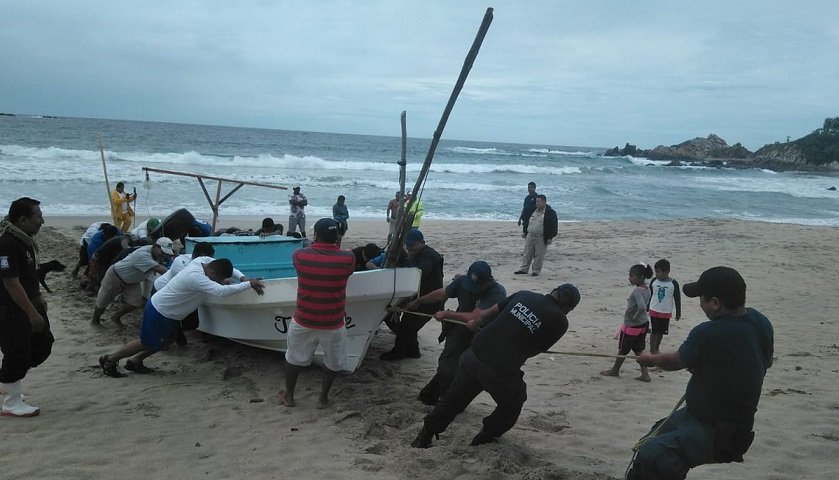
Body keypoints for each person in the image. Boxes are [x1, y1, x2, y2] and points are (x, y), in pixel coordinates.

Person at [627, 267, 774, 480]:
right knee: (653, 436)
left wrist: (649, 359)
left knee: (655, 456)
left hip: (721, 430)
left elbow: (673, 362)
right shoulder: (761, 321)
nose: (701, 305)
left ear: (715, 303)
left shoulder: (706, 332)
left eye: (702, 300)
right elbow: (766, 362)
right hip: (697, 415)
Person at [411, 284, 580, 448]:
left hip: (474, 353)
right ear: (569, 309)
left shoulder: (525, 295)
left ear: (554, 291)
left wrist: (475, 323)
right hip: (500, 369)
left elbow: (486, 315)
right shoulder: (560, 322)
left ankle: (424, 435)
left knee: (454, 399)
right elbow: (536, 350)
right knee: (513, 403)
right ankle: (485, 437)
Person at [99, 259, 265, 377]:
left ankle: (136, 361)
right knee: (145, 342)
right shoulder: (196, 276)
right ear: (212, 272)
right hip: (160, 310)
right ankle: (110, 359)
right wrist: (248, 285)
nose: (221, 282)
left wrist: (242, 278)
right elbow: (220, 292)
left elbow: (231, 270)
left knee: (167, 341)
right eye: (219, 279)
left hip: (170, 312)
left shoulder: (203, 261)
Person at [406, 260, 507, 405]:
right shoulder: (462, 282)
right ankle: (433, 397)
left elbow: (475, 316)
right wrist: (419, 301)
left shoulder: (497, 292)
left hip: (483, 335)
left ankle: (448, 401)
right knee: (447, 366)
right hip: (459, 331)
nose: (473, 290)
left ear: (489, 281)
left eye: (478, 287)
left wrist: (448, 315)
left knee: (469, 370)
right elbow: (443, 294)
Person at [280, 218, 355, 408]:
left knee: (293, 358)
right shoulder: (348, 258)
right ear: (337, 236)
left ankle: (289, 396)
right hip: (333, 322)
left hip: (304, 319)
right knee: (332, 361)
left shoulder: (300, 256)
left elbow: (309, 250)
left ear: (316, 235)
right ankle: (323, 399)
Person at [0, 197, 54, 417]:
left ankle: (8, 380)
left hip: (30, 302)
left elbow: (29, 275)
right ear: (22, 220)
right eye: (38, 217)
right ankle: (11, 401)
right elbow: (10, 282)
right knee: (17, 350)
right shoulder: (7, 244)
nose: (42, 221)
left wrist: (38, 298)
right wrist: (31, 314)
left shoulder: (25, 240)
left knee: (43, 344)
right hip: (11, 307)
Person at [380, 229, 443, 361]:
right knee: (409, 325)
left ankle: (398, 353)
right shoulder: (416, 255)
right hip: (419, 297)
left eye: (412, 246)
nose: (410, 249)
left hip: (429, 300)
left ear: (422, 243)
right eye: (407, 246)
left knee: (405, 327)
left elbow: (420, 272)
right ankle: (413, 351)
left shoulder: (429, 256)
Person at [91, 237, 173, 328]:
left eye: (166, 253)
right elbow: (160, 269)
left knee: (135, 303)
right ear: (155, 246)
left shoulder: (152, 250)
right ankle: (95, 320)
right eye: (163, 252)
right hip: (116, 275)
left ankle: (116, 316)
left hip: (132, 280)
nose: (163, 255)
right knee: (103, 300)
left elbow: (161, 262)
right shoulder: (143, 255)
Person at [601, 263, 654, 382]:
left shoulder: (637, 291)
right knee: (638, 349)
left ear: (640, 277)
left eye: (632, 275)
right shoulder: (647, 288)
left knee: (623, 350)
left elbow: (641, 307)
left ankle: (615, 370)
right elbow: (645, 306)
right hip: (643, 324)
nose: (629, 278)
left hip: (632, 325)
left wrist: (634, 317)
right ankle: (645, 374)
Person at [514, 194, 558, 276]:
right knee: (527, 253)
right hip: (530, 235)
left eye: (539, 201)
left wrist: (550, 237)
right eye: (536, 201)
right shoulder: (533, 210)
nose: (537, 203)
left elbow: (554, 226)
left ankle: (536, 271)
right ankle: (524, 269)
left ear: (544, 202)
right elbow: (527, 221)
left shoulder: (550, 212)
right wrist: (524, 231)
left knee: (539, 255)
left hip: (541, 237)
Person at [648, 258, 681, 354]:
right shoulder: (654, 281)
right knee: (654, 331)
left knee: (661, 332)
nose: (656, 274)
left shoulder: (673, 283)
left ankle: (656, 348)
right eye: (655, 272)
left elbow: (677, 298)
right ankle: (652, 350)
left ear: (666, 271)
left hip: (666, 312)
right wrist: (646, 307)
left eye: (658, 272)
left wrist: (678, 313)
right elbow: (650, 295)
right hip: (654, 309)